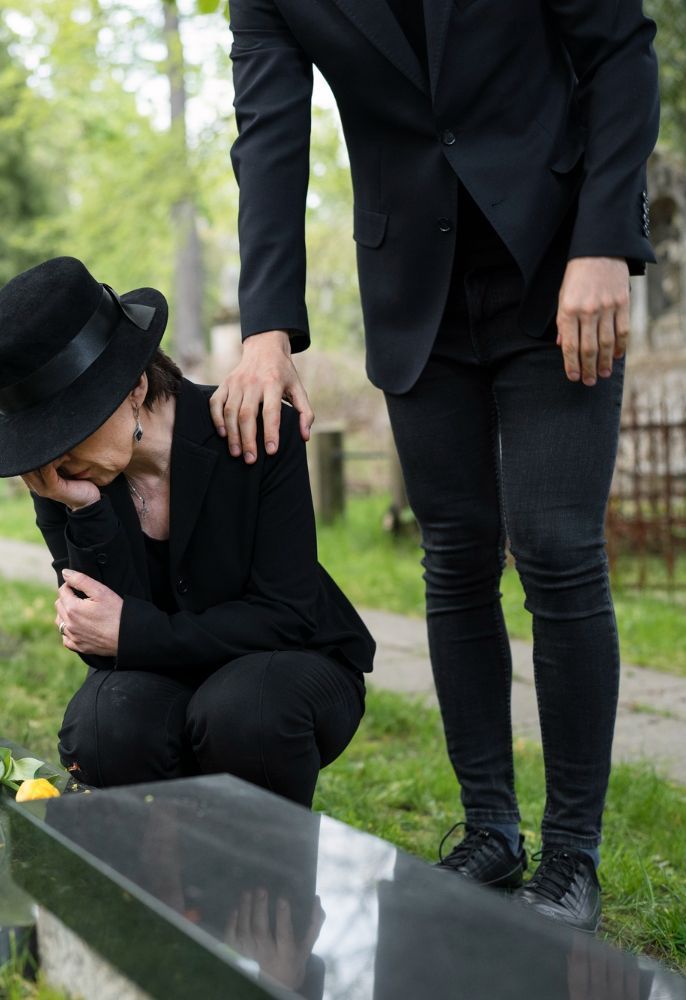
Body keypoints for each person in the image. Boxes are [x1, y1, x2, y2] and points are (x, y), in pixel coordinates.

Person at [217, 0, 660, 933]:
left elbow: (620, 48)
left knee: (555, 547)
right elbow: (268, 135)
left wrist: (604, 241)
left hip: (558, 258)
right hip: (413, 278)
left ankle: (572, 857)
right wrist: (265, 329)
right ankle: (492, 831)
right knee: (457, 556)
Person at [0, 256, 376, 808]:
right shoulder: (66, 479)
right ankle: (156, 882)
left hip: (290, 665)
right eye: (39, 439)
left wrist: (136, 633)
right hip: (165, 676)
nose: (53, 457)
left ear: (134, 388)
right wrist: (83, 512)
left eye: (67, 429)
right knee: (105, 723)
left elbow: (285, 615)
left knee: (241, 712)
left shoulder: (250, 428)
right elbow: (103, 650)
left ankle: (270, 882)